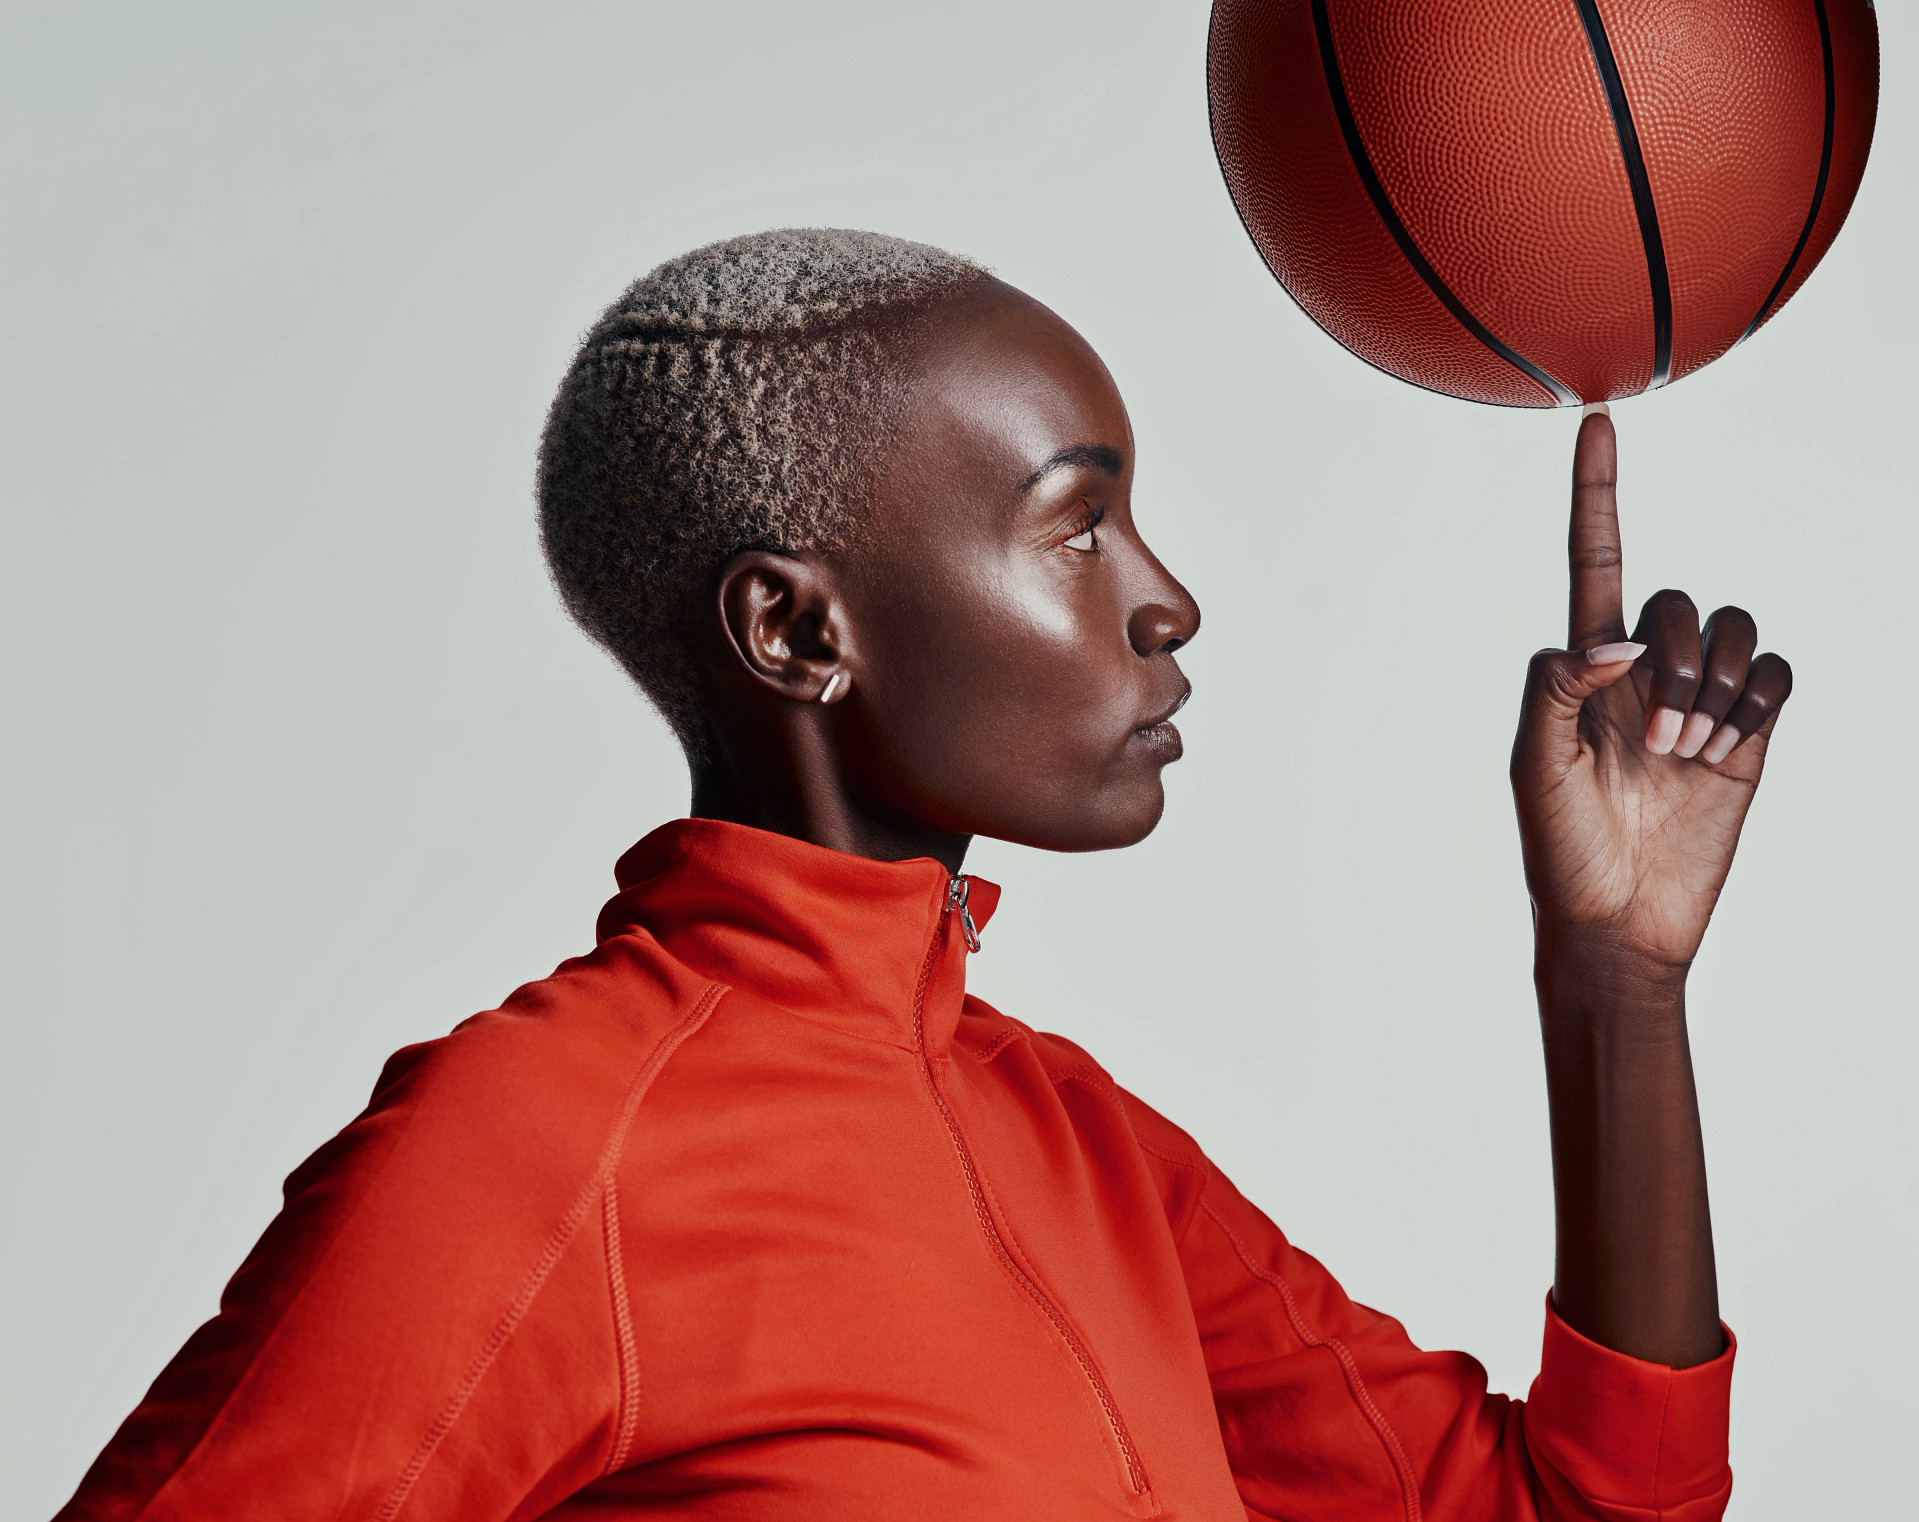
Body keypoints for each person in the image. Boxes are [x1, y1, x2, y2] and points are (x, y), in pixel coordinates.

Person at [58, 229, 1791, 1521]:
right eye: (1075, 522)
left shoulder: (1085, 1146)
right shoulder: (539, 1138)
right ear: (798, 627)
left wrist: (1617, 984)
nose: (1164, 595)